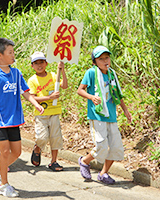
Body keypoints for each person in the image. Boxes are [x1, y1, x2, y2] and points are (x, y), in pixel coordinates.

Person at [0, 38, 44, 197]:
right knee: (5, 151)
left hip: (14, 120)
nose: (13, 55)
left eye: (13, 52)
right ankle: (3, 185)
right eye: (10, 52)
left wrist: (35, 103)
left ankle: (1, 166)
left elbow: (26, 91)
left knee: (16, 152)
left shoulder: (16, 73)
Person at [77, 46, 132, 184]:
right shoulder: (91, 73)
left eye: (106, 57)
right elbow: (80, 90)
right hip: (97, 115)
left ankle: (103, 173)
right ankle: (84, 161)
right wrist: (91, 97)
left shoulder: (112, 74)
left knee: (116, 147)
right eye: (101, 59)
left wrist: (125, 110)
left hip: (111, 115)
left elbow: (118, 94)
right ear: (95, 62)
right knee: (101, 146)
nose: (105, 61)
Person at [27, 52, 68, 171]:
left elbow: (64, 86)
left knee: (55, 137)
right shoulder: (32, 80)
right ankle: (37, 148)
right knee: (42, 137)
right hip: (41, 114)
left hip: (54, 111)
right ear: (32, 66)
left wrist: (63, 71)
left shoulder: (53, 75)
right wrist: (49, 98)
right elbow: (32, 97)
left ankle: (54, 161)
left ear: (46, 63)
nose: (39, 65)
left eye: (41, 62)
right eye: (36, 63)